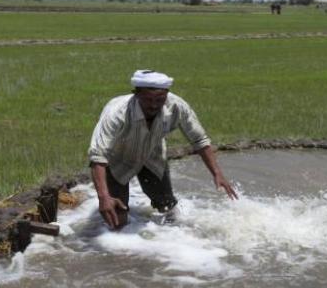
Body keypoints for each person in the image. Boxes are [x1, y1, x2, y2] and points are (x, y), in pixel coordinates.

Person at [88, 70, 238, 230]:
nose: (153, 105)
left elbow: (199, 140)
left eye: (160, 99)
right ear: (136, 94)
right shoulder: (117, 113)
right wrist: (103, 197)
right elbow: (98, 156)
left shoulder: (176, 106)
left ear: (167, 94)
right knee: (117, 222)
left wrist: (217, 174)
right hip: (117, 160)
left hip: (152, 157)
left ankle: (171, 239)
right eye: (148, 100)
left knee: (167, 206)